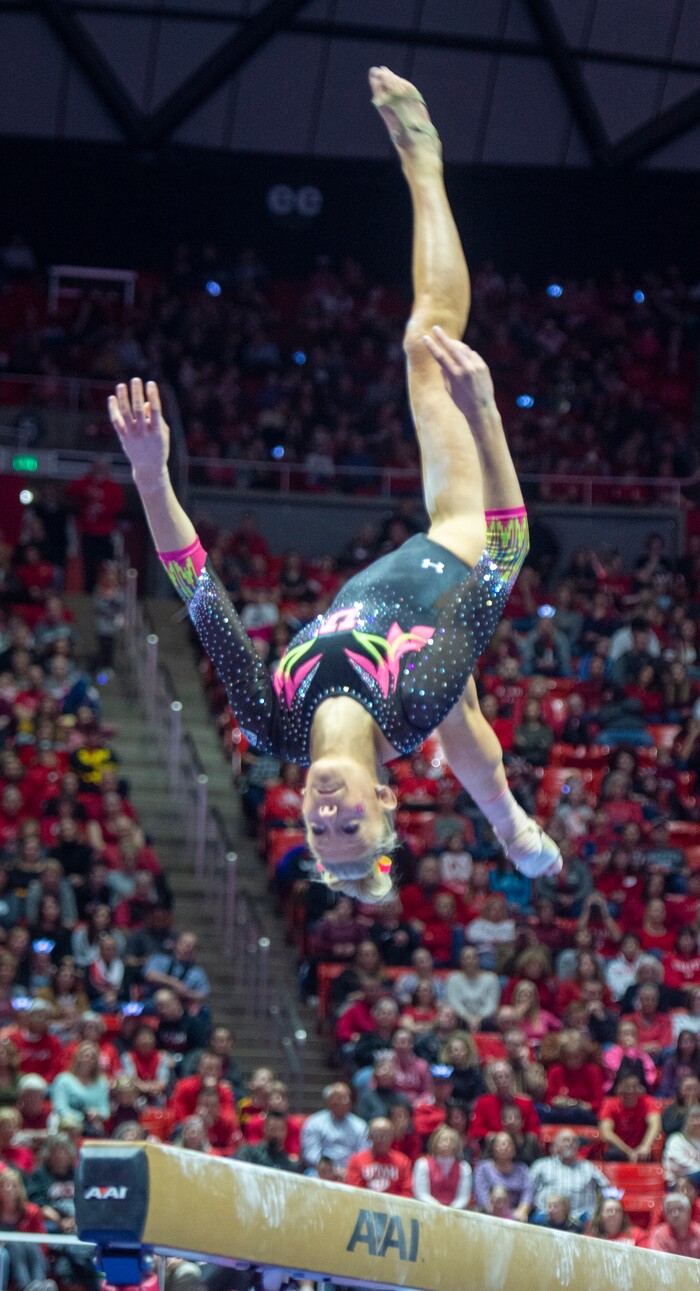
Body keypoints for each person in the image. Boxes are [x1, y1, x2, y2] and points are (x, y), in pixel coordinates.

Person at [109, 66, 562, 906]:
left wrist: (148, 474)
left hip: (410, 632)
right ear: (385, 798)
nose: (325, 816)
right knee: (426, 343)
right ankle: (424, 164)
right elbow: (508, 547)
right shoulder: (411, 700)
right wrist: (485, 411)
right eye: (348, 825)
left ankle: (508, 821)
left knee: (458, 711)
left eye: (317, 830)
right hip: (453, 543)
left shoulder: (269, 720)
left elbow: (194, 583)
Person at [529, 1129, 608, 1224]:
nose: (570, 1144)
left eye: (574, 1141)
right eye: (565, 1140)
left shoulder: (588, 1167)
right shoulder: (541, 1165)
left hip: (580, 1218)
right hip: (546, 1215)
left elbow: (607, 1189)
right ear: (555, 1146)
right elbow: (527, 1190)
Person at [300, 1083, 369, 1173]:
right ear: (330, 1101)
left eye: (348, 1097)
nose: (346, 1101)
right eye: (340, 1097)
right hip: (320, 1171)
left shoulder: (360, 1125)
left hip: (350, 1171)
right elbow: (311, 1155)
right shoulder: (314, 1123)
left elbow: (363, 1153)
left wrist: (348, 1170)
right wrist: (331, 1171)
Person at [598, 1070, 662, 1161]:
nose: (631, 1091)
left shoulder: (648, 1101)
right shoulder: (609, 1103)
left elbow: (655, 1125)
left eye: (634, 1087)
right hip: (619, 1150)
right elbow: (606, 1133)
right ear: (619, 1087)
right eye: (627, 1086)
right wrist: (629, 1152)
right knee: (611, 1155)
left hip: (641, 1150)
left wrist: (645, 1146)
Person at [344, 1116, 413, 1196]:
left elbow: (407, 1192)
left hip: (393, 1206)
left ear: (393, 1136)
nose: (382, 1140)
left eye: (387, 1135)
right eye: (378, 1135)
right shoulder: (357, 1160)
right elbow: (353, 1190)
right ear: (369, 1137)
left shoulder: (403, 1161)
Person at [473, 1130, 532, 1220]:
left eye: (507, 1144)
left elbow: (528, 1192)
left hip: (516, 1214)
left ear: (514, 1150)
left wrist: (522, 1210)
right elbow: (481, 1193)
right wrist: (496, 1212)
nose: (503, 1147)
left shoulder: (522, 1169)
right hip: (490, 1213)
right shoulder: (483, 1168)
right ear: (493, 1149)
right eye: (499, 1144)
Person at [412, 1125, 472, 1207]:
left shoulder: (464, 1168)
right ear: (435, 1142)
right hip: (428, 1209)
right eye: (441, 1140)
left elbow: (463, 1197)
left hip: (455, 1213)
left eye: (449, 1141)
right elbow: (421, 1193)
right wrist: (439, 1208)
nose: (445, 1144)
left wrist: (451, 1210)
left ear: (455, 1144)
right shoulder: (422, 1164)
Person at [445, 944, 501, 1029]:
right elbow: (454, 1002)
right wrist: (469, 1018)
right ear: (461, 961)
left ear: (478, 960)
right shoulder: (453, 979)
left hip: (485, 1019)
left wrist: (478, 1018)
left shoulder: (491, 979)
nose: (470, 961)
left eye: (473, 957)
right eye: (466, 958)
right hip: (461, 1018)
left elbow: (491, 1004)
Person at [648, 1192, 700, 1257]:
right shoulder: (659, 1236)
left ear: (689, 1212)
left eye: (680, 1209)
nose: (675, 1214)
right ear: (665, 1215)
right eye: (670, 1210)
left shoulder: (698, 1233)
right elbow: (658, 1262)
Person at [663, 1106, 700, 1188]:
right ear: (686, 1122)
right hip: (678, 1183)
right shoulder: (676, 1139)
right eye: (693, 1119)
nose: (697, 1122)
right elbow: (680, 1165)